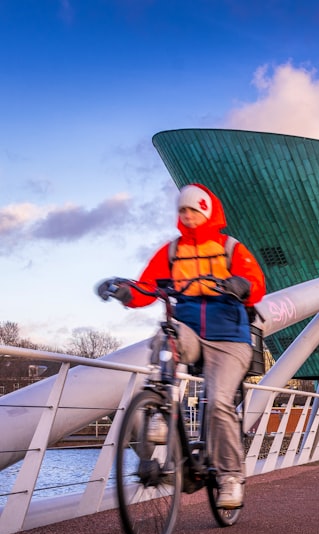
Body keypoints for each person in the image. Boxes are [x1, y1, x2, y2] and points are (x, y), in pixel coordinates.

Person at [97, 183, 266, 509]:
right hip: (189, 330)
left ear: (206, 212)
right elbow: (147, 287)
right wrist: (125, 292)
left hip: (229, 338)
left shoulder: (230, 248)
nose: (187, 217)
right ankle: (161, 404)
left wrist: (240, 285)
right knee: (165, 334)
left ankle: (231, 478)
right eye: (182, 211)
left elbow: (256, 284)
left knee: (218, 403)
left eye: (193, 211)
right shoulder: (172, 252)